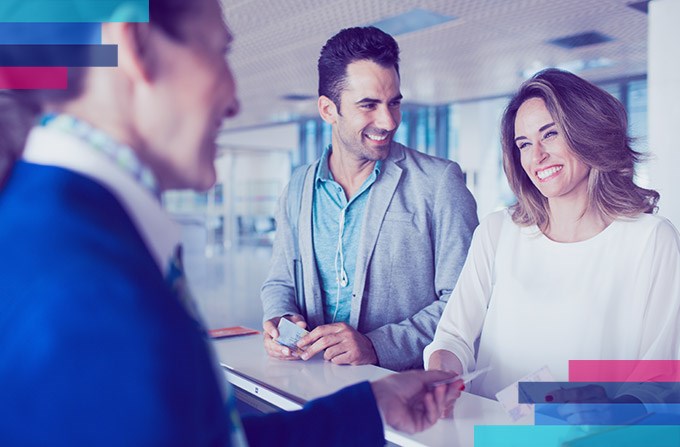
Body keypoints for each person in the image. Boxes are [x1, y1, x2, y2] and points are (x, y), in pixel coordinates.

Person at [0, 1, 464, 446]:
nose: (235, 101)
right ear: (136, 46)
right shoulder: (84, 282)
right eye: (218, 52)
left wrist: (371, 407)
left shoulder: (62, 238)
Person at [424, 68, 680, 416]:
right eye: (524, 144)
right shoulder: (498, 231)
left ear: (587, 134)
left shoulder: (651, 239)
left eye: (551, 134)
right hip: (492, 434)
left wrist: (614, 410)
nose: (536, 156)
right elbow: (452, 337)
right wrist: (442, 373)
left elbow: (663, 374)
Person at [260, 26, 478, 371]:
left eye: (394, 103)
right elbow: (280, 279)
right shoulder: (298, 187)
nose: (388, 121)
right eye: (369, 105)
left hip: (400, 395)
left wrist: (377, 346)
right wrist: (280, 315)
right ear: (328, 109)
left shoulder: (439, 183)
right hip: (312, 385)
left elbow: (467, 303)